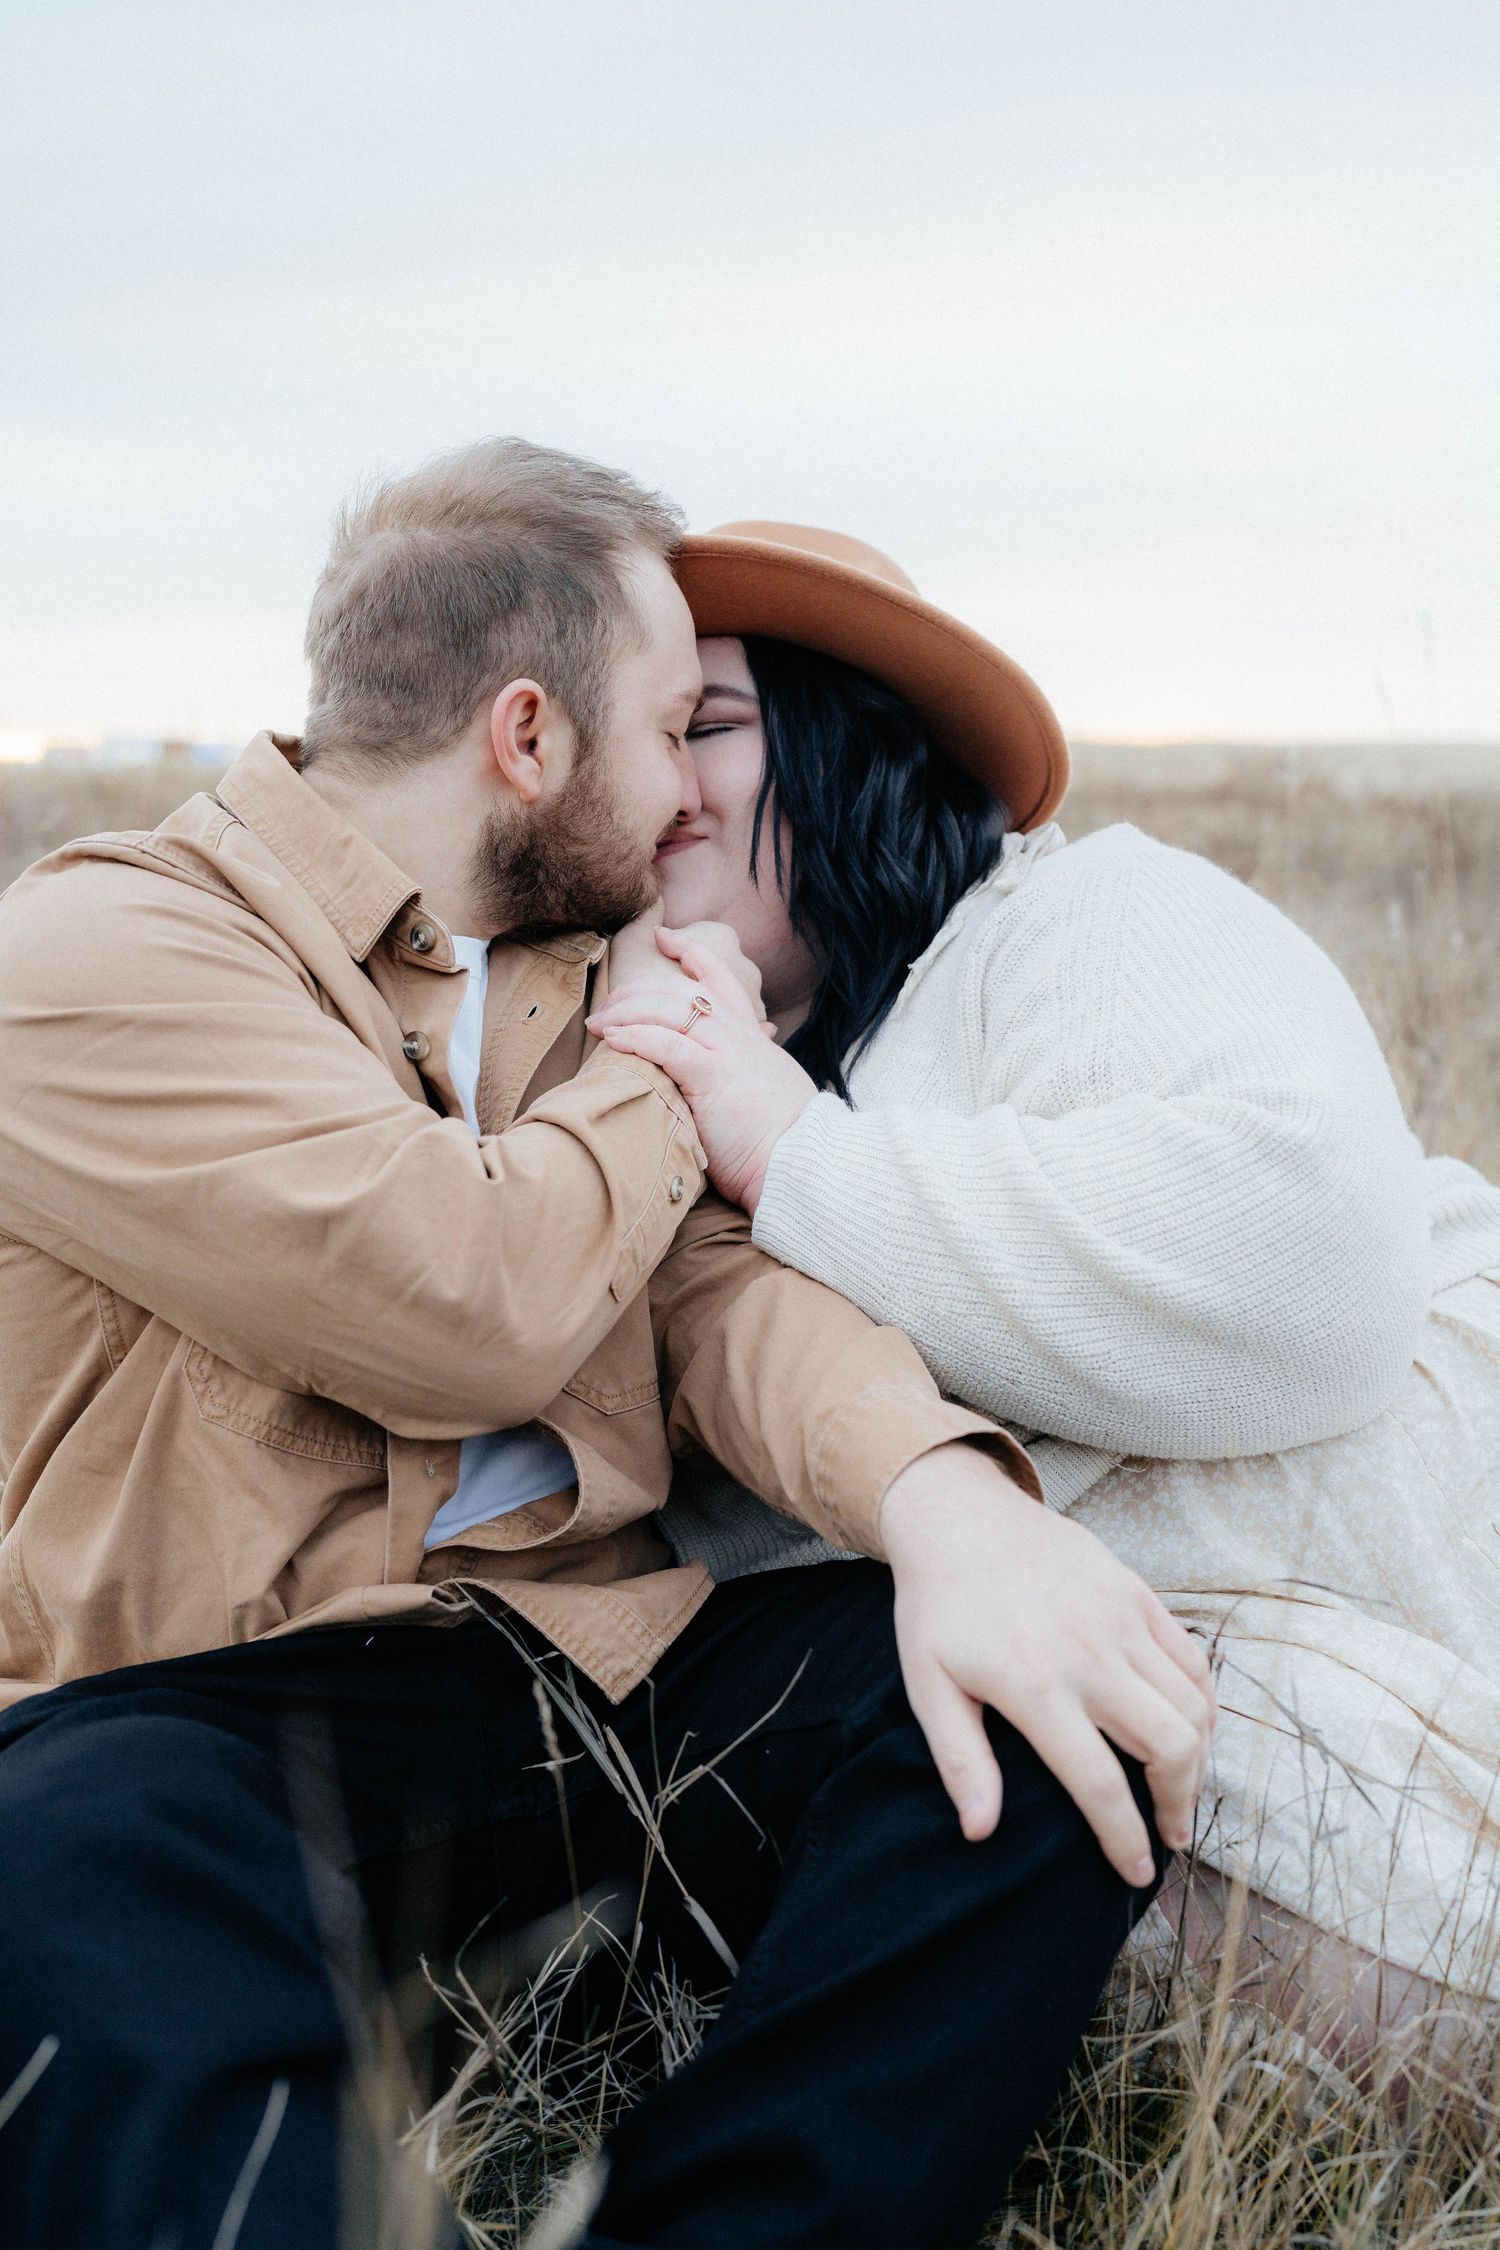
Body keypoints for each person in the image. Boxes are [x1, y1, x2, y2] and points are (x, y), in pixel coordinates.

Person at [0, 448, 1215, 2250]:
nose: (685, 800)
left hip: (579, 1680)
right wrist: (667, 1068)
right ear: (528, 734)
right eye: (667, 729)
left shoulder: (579, 974)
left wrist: (949, 1502)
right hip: (203, 1716)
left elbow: (718, 1295)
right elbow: (457, 1298)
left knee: (1025, 1716)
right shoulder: (104, 947)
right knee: (55, 1859)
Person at [587, 519, 1500, 2064]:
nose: (664, 782)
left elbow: (1318, 1257)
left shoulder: (1077, 921)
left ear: (852, 749)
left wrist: (799, 1155)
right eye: (640, 735)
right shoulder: (642, 1063)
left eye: (713, 725)